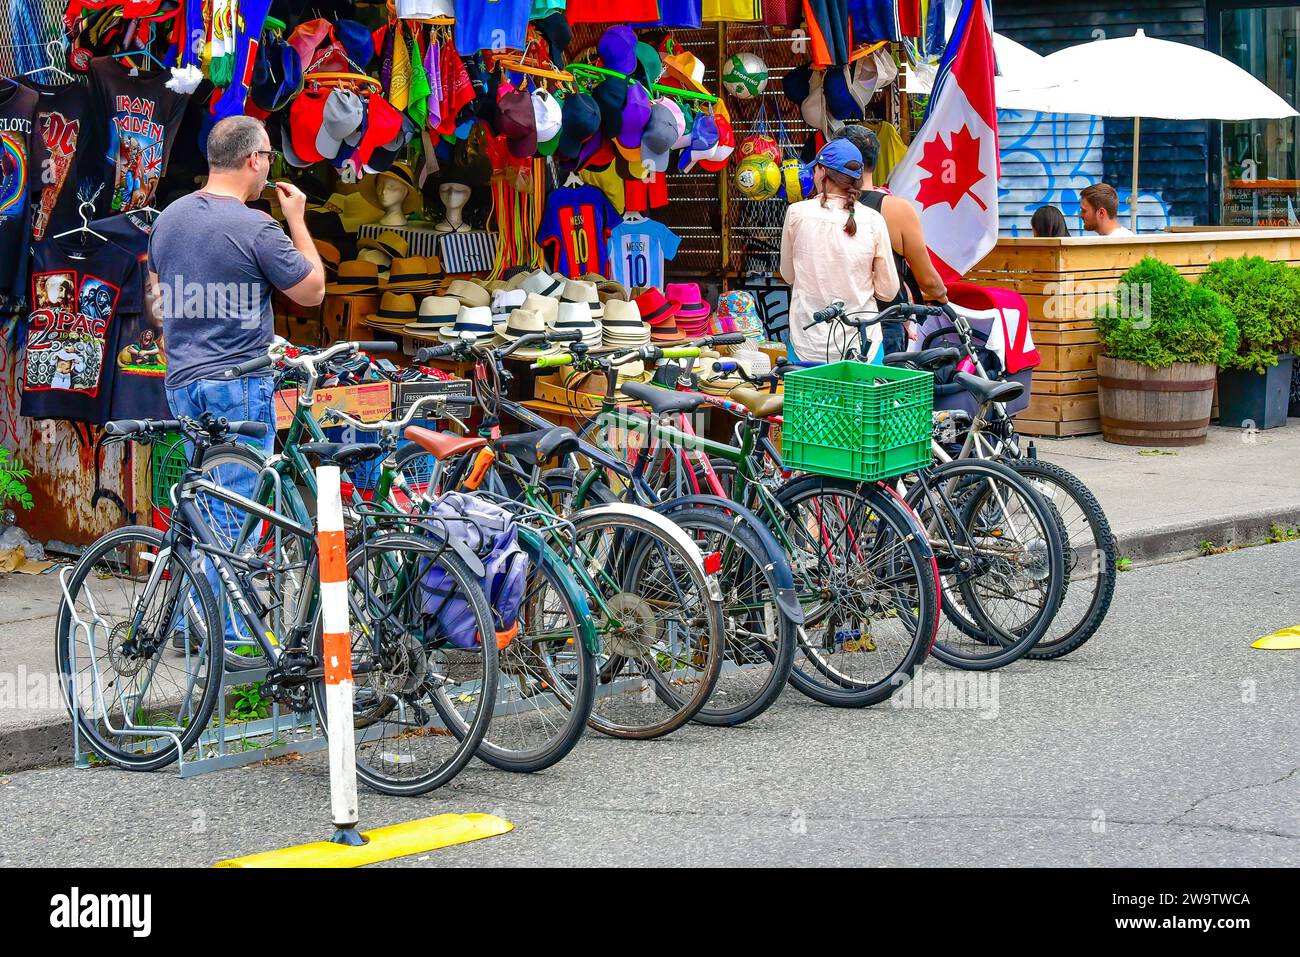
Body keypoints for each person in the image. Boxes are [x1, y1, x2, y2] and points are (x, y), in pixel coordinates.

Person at [147, 114, 324, 649]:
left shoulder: (170, 219)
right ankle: (229, 639)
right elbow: (313, 291)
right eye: (269, 156)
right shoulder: (256, 227)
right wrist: (297, 219)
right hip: (238, 382)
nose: (270, 166)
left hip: (183, 380)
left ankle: (193, 625)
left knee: (204, 504)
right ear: (253, 160)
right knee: (236, 512)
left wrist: (177, 339)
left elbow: (157, 300)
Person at [831, 125, 948, 355]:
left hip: (831, 322)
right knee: (882, 390)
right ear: (875, 159)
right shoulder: (896, 209)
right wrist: (941, 295)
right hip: (885, 321)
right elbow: (928, 280)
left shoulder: (816, 209)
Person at [780, 138, 899, 363]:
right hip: (863, 345)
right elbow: (888, 291)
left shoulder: (797, 213)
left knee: (808, 400)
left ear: (823, 171)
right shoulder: (873, 220)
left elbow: (788, 275)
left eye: (815, 169)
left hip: (808, 345)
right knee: (864, 399)